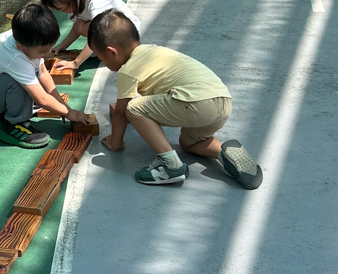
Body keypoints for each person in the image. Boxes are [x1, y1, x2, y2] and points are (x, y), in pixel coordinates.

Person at [88, 10, 262, 189]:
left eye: (102, 59)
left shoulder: (127, 70)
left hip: (197, 103)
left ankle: (170, 165)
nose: (105, 64)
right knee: (189, 144)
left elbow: (121, 113)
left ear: (111, 52)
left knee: (133, 108)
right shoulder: (154, 50)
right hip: (222, 101)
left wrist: (115, 143)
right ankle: (223, 154)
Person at [0, 2, 90, 149]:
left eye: (49, 48)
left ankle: (13, 111)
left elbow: (43, 73)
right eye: (43, 51)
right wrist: (71, 114)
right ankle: (13, 125)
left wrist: (62, 106)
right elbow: (42, 99)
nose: (47, 54)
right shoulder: (15, 57)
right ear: (20, 47)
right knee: (16, 81)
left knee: (31, 76)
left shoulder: (27, 39)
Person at [39, 0, 142, 72]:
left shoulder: (96, 4)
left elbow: (96, 35)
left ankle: (109, 49)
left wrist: (75, 63)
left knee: (94, 35)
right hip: (108, 29)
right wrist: (62, 46)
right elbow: (77, 28)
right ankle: (97, 48)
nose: (62, 12)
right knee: (79, 25)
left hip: (127, 34)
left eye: (61, 8)